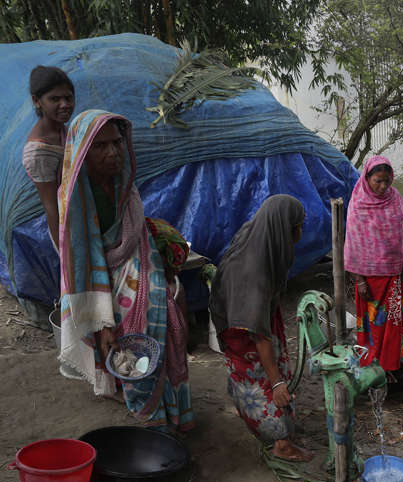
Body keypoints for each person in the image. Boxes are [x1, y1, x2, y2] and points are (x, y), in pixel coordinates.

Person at [58, 110, 193, 433]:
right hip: (100, 280)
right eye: (100, 146)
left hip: (138, 268)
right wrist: (101, 321)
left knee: (167, 324)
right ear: (82, 152)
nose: (112, 152)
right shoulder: (77, 199)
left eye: (117, 142)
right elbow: (83, 260)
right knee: (129, 345)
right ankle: (151, 414)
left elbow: (137, 237)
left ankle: (173, 411)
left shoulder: (124, 185)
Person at [209, 195, 313, 462]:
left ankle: (247, 409)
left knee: (248, 374)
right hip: (245, 327)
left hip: (237, 314)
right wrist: (277, 382)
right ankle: (280, 442)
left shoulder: (256, 233)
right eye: (298, 226)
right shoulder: (255, 271)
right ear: (284, 229)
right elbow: (259, 334)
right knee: (265, 379)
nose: (301, 232)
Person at [344, 156, 403, 382]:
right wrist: (360, 280)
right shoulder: (358, 204)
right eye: (378, 181)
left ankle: (393, 361)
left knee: (393, 321)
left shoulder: (395, 199)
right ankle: (375, 365)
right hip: (369, 278)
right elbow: (353, 245)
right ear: (367, 178)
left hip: (393, 273)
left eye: (387, 181)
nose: (383, 186)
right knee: (373, 322)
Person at [23, 66, 75, 248]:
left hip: (82, 220)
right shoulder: (39, 151)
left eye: (68, 98)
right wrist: (66, 253)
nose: (65, 104)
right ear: (37, 101)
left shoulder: (62, 130)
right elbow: (52, 207)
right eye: (55, 99)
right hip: (68, 233)